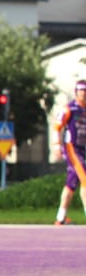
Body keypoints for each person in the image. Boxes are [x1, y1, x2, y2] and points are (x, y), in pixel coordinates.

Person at [52, 80, 86, 225]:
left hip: (84, 149)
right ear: (76, 92)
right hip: (72, 149)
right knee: (85, 178)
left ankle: (60, 217)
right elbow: (56, 127)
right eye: (80, 90)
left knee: (71, 184)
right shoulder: (69, 109)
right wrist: (56, 145)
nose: (83, 93)